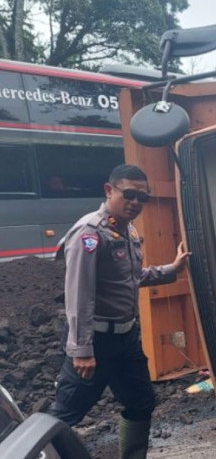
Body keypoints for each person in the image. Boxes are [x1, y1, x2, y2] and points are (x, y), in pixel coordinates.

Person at [48, 164, 191, 459]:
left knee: (141, 404)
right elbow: (79, 295)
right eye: (129, 194)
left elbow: (132, 277)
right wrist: (82, 350)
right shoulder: (90, 234)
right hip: (96, 344)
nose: (136, 203)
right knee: (62, 418)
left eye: (143, 197)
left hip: (126, 341)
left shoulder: (126, 230)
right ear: (108, 190)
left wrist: (172, 270)